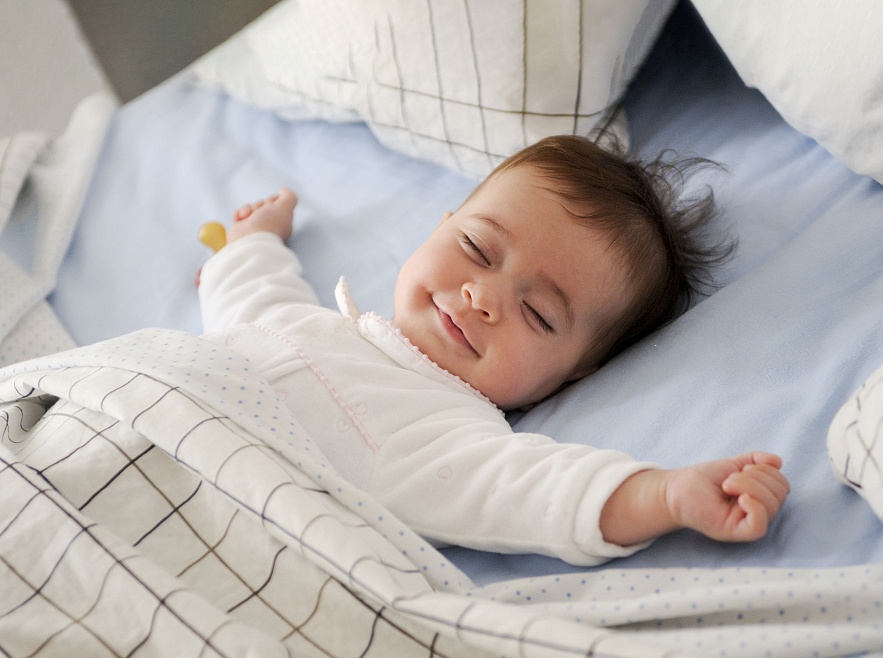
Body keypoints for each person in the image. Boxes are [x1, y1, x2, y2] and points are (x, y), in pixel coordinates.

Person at [198, 136, 789, 566]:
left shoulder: (441, 433)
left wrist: (665, 495)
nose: (482, 298)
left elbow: (535, 492)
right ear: (442, 224)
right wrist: (253, 241)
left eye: (538, 314)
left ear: (576, 373)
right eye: (477, 248)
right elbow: (255, 295)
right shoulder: (303, 323)